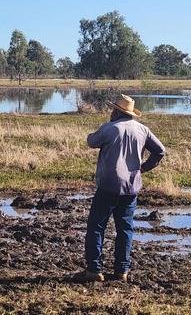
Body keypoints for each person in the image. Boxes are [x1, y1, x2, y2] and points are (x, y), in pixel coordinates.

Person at [74, 94, 166, 282]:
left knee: (96, 227)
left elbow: (91, 141)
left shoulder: (110, 128)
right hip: (131, 188)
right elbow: (160, 151)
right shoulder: (143, 130)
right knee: (125, 229)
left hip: (108, 186)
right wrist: (144, 168)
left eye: (112, 109)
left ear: (116, 111)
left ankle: (93, 269)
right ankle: (121, 271)